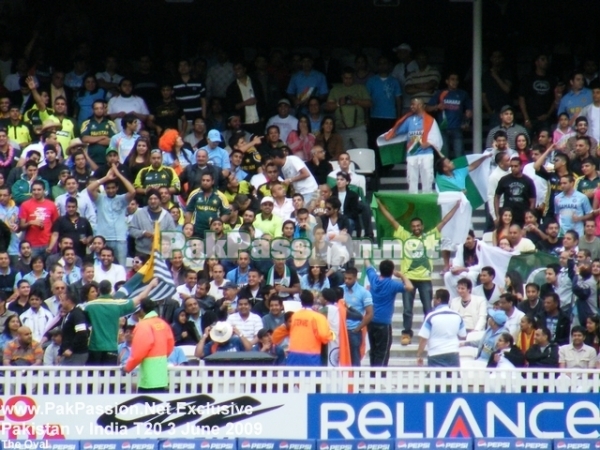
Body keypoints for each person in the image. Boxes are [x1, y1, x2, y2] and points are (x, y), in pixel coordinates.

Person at [376, 197, 460, 345]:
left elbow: (444, 221)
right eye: (413, 226)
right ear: (410, 227)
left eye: (418, 226)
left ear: (422, 226)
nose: (416, 228)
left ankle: (430, 333)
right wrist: (380, 205)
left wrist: (456, 206)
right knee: (407, 309)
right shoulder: (404, 235)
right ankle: (406, 334)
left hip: (425, 279)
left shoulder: (430, 236)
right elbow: (391, 220)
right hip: (408, 278)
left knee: (428, 308)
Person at [84, 279, 158, 366]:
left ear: (99, 290)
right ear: (110, 290)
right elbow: (139, 298)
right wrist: (151, 285)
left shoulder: (89, 306)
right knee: (109, 378)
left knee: (92, 377)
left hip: (94, 347)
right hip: (111, 347)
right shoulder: (117, 305)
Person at [382, 97, 442, 194]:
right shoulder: (409, 120)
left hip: (426, 154)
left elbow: (436, 137)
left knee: (427, 181)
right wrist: (388, 136)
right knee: (412, 182)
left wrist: (429, 143)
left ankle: (426, 204)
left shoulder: (430, 120)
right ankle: (414, 204)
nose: (411, 106)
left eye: (413, 104)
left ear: (421, 105)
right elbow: (397, 131)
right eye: (411, 104)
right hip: (412, 154)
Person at [364, 252, 413, 367]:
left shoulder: (373, 279)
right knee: (383, 352)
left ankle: (372, 378)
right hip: (383, 323)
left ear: (380, 270)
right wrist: (401, 275)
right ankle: (379, 379)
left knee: (374, 350)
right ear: (392, 271)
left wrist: (366, 255)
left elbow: (368, 265)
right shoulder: (392, 284)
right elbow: (410, 287)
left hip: (370, 321)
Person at [125, 298, 175, 393]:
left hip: (148, 375)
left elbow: (139, 351)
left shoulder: (143, 325)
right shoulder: (163, 323)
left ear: (142, 310)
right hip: (161, 373)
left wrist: (128, 367)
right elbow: (170, 344)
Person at [417, 289, 466, 367]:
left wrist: (419, 355)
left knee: (436, 379)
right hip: (453, 353)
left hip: (435, 354)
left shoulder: (431, 316)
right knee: (453, 378)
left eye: (434, 298)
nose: (433, 300)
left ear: (439, 300)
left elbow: (424, 338)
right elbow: (462, 335)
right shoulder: (457, 315)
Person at [286, 290, 333, 366]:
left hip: (293, 354)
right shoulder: (318, 317)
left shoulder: (295, 316)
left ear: (301, 302)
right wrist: (331, 336)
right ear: (313, 301)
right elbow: (324, 336)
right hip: (311, 355)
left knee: (293, 377)